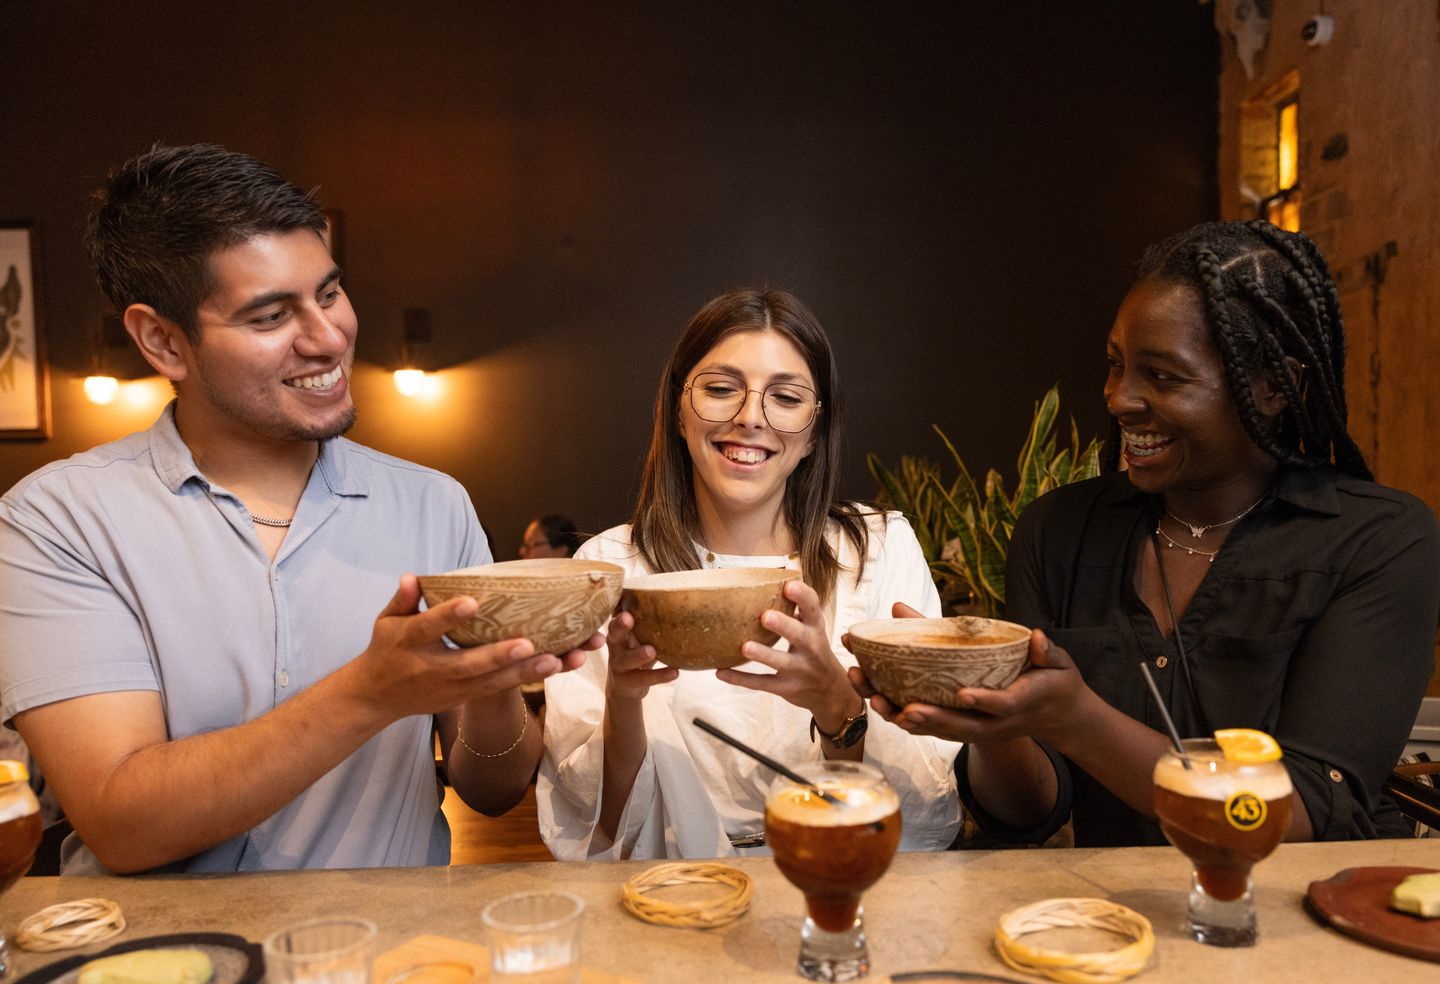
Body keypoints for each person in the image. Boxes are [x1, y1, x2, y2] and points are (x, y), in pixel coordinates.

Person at [0, 144, 598, 874]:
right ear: (162, 341)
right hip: (161, 977)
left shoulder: (431, 504)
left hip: (395, 966)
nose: (329, 338)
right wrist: (369, 693)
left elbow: (494, 789)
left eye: (329, 293)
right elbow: (124, 823)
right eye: (271, 315)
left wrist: (498, 676)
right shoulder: (58, 521)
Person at [861, 220, 1440, 846]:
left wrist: (1078, 719)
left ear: (1275, 388)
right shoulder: (1059, 531)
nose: (1119, 398)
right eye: (1116, 366)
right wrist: (995, 726)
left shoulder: (1378, 540)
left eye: (1162, 376)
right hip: (1122, 924)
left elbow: (1302, 814)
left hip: (1303, 920)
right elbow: (1030, 811)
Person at [538, 288, 961, 859]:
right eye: (718, 389)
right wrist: (623, 697)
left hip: (836, 879)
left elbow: (926, 798)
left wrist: (837, 702)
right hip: (671, 892)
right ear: (678, 410)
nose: (749, 419)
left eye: (785, 398)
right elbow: (598, 825)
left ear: (814, 432)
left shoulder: (879, 551)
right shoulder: (607, 566)